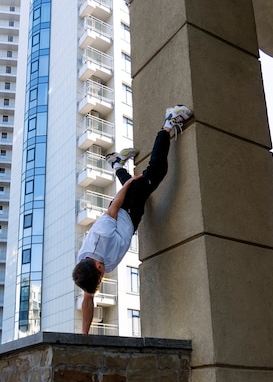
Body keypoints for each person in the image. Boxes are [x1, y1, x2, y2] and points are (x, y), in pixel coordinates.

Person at [72, 104, 193, 334]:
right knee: (139, 185)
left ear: (98, 266)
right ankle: (117, 163)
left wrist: (127, 185)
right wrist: (85, 335)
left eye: (100, 278)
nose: (101, 280)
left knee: (156, 172)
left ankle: (168, 122)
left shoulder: (100, 237)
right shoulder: (87, 269)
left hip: (126, 208)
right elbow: (87, 301)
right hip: (131, 219)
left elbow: (114, 208)